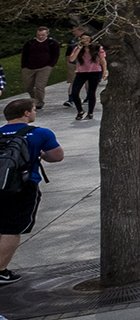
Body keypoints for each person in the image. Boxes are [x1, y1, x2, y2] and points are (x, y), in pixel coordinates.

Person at [0, 99, 67, 286]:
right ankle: (0, 271)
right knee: (11, 229)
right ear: (26, 113)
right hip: (22, 186)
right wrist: (40, 154)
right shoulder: (40, 133)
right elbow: (57, 156)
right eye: (33, 110)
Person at [66, 34, 106, 120]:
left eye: (87, 39)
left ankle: (90, 112)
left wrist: (104, 72)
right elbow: (72, 59)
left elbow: (103, 60)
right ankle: (80, 110)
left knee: (91, 93)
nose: (85, 41)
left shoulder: (97, 48)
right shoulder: (78, 48)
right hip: (81, 72)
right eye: (83, 39)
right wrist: (79, 48)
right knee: (74, 93)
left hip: (94, 71)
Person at [19, 28, 59, 111]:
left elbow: (56, 54)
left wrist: (51, 65)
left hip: (44, 67)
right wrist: (23, 66)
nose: (40, 36)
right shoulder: (30, 43)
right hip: (29, 67)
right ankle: (34, 98)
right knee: (28, 86)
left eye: (43, 35)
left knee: (39, 86)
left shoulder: (52, 43)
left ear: (47, 34)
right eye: (39, 35)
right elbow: (24, 54)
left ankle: (39, 102)